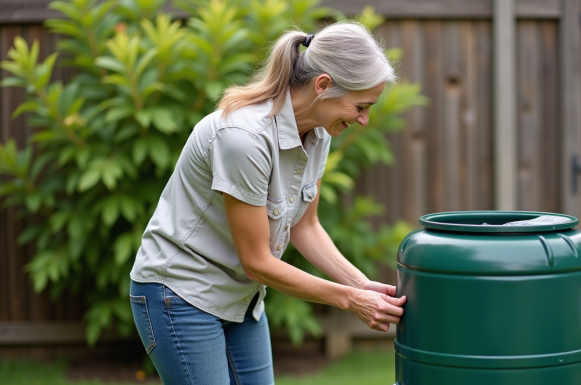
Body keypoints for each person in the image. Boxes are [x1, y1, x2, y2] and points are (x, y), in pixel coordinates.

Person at [129, 20, 407, 385]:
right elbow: (257, 262)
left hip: (241, 298)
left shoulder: (319, 134)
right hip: (180, 293)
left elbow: (306, 226)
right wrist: (349, 300)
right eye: (361, 105)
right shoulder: (244, 138)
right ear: (323, 85)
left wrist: (359, 285)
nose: (365, 120)